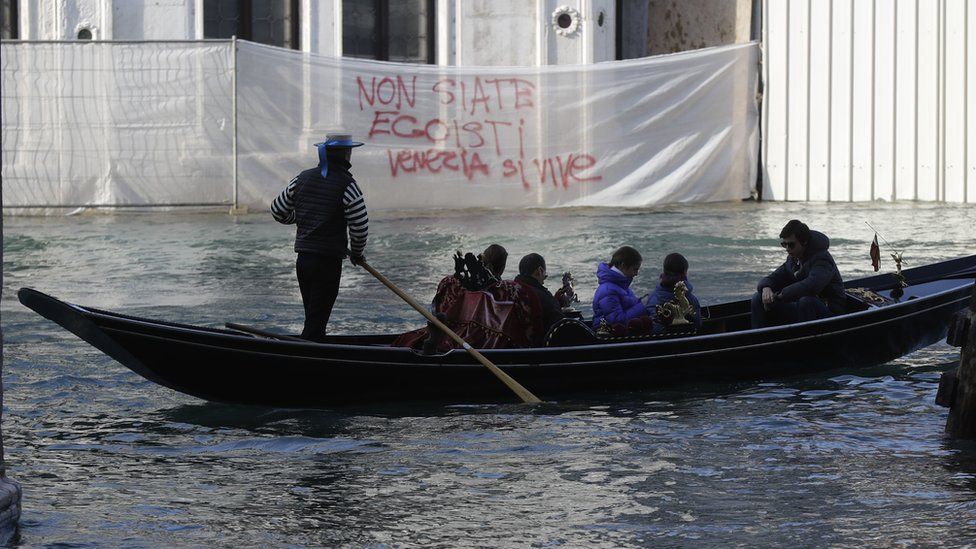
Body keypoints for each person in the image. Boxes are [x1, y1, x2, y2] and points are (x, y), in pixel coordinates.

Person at [271, 133, 369, 342]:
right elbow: (359, 227)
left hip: (304, 260)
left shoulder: (302, 178)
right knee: (316, 323)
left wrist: (303, 219)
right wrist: (357, 254)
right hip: (327, 262)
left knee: (313, 316)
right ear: (346, 154)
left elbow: (278, 210)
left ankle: (311, 347)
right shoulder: (348, 185)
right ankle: (307, 360)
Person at [751, 219, 845, 329]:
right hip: (801, 308)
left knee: (806, 301)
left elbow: (811, 285)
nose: (787, 249)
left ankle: (804, 342)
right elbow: (776, 277)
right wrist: (766, 287)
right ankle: (759, 337)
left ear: (804, 242)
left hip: (830, 311)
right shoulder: (793, 258)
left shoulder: (822, 259)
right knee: (758, 297)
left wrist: (781, 295)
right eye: (784, 244)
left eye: (791, 245)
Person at [592, 245, 649, 329]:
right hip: (609, 334)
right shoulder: (608, 290)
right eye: (635, 269)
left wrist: (644, 301)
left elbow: (630, 305)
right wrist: (643, 305)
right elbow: (616, 321)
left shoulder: (620, 284)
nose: (636, 273)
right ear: (623, 265)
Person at [514, 253, 564, 343]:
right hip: (538, 350)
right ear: (540, 270)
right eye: (544, 273)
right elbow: (559, 326)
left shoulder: (511, 290)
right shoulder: (543, 296)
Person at [646, 252, 702, 329]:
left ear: (664, 271)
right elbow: (697, 324)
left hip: (658, 337)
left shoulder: (653, 297)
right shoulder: (691, 299)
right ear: (685, 272)